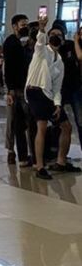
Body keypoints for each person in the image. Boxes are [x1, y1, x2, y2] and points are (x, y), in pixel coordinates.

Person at [25, 18, 81, 180]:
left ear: (63, 40)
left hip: (49, 95)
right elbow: (39, 41)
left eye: (59, 35)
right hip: (35, 91)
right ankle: (40, 166)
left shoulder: (60, 62)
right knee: (41, 126)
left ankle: (61, 161)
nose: (56, 37)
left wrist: (57, 105)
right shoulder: (41, 51)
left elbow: (57, 87)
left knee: (66, 126)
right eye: (53, 34)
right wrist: (42, 28)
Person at [3, 13, 33, 167]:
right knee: (12, 120)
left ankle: (26, 154)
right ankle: (10, 151)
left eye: (26, 24)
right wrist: (9, 90)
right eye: (22, 24)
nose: (25, 27)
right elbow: (8, 68)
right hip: (15, 88)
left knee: (24, 121)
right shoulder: (11, 42)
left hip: (26, 87)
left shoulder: (27, 43)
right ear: (14, 26)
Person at [57, 20, 82, 149]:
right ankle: (58, 153)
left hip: (75, 87)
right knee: (59, 122)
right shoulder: (50, 50)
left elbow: (79, 57)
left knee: (80, 120)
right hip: (60, 89)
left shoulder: (72, 46)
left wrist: (76, 41)